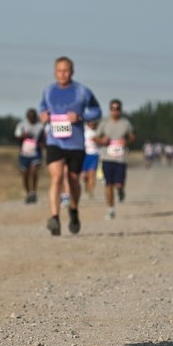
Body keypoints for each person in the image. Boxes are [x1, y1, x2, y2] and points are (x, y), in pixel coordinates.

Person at [39, 56, 102, 236]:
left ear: (72, 72)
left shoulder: (82, 91)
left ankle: (73, 210)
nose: (62, 74)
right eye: (59, 70)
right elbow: (42, 108)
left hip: (75, 143)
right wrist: (43, 115)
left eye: (66, 70)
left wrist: (81, 117)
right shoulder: (49, 91)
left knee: (73, 180)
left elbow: (97, 111)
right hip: (54, 141)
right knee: (57, 177)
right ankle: (54, 217)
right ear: (54, 72)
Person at [94, 99, 135, 220]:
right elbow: (95, 137)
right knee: (108, 185)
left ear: (120, 110)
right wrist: (102, 141)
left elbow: (133, 136)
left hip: (121, 158)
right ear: (109, 109)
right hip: (107, 157)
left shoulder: (125, 123)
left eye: (117, 109)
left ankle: (121, 190)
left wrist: (126, 141)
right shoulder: (104, 122)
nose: (115, 111)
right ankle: (110, 209)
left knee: (119, 183)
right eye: (112, 109)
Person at [14, 108, 45, 203]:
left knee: (34, 171)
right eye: (30, 117)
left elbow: (45, 136)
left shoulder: (40, 126)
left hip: (36, 153)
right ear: (27, 117)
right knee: (25, 175)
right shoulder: (21, 125)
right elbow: (16, 136)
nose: (32, 119)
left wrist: (43, 143)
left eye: (33, 117)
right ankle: (28, 193)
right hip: (24, 153)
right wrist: (23, 136)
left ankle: (34, 192)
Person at [80, 121, 100, 198]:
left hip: (94, 155)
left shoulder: (98, 131)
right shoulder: (83, 130)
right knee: (84, 176)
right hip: (85, 155)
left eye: (93, 122)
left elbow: (101, 141)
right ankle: (86, 184)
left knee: (92, 174)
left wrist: (97, 140)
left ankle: (91, 191)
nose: (92, 124)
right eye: (90, 122)